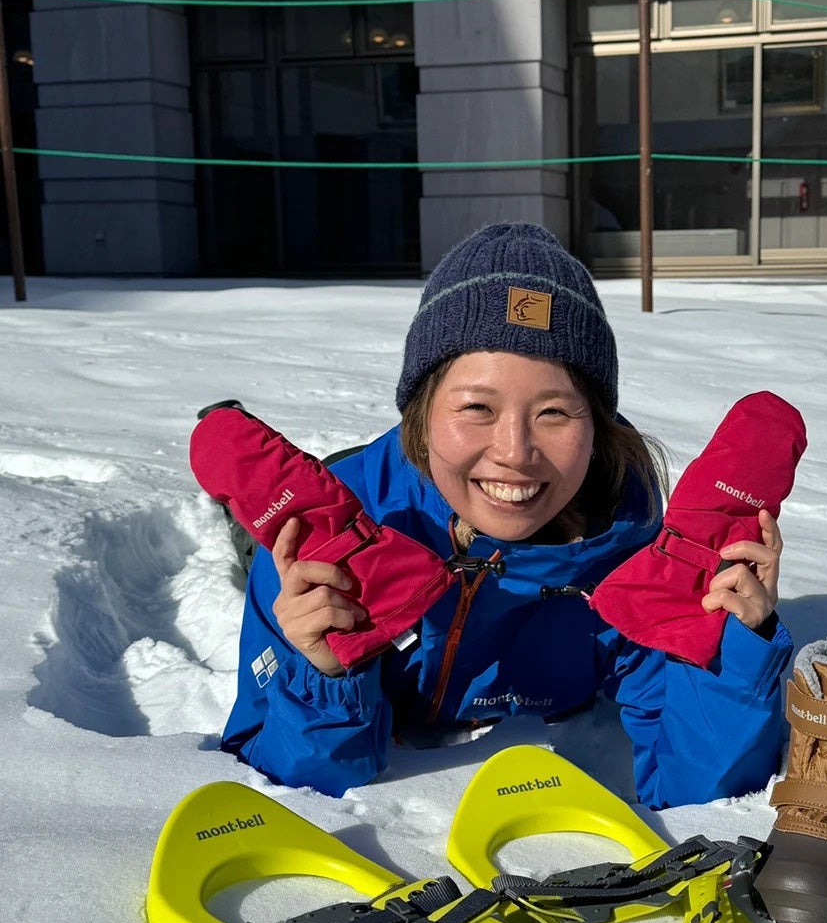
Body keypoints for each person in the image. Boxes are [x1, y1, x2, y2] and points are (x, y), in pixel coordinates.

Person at [221, 221, 791, 806]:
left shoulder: (630, 545)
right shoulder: (321, 539)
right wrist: (322, 673)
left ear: (596, 426)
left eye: (555, 413)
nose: (515, 452)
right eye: (476, 407)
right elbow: (285, 785)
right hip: (372, 502)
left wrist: (732, 649)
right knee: (254, 544)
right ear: (421, 410)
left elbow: (704, 791)